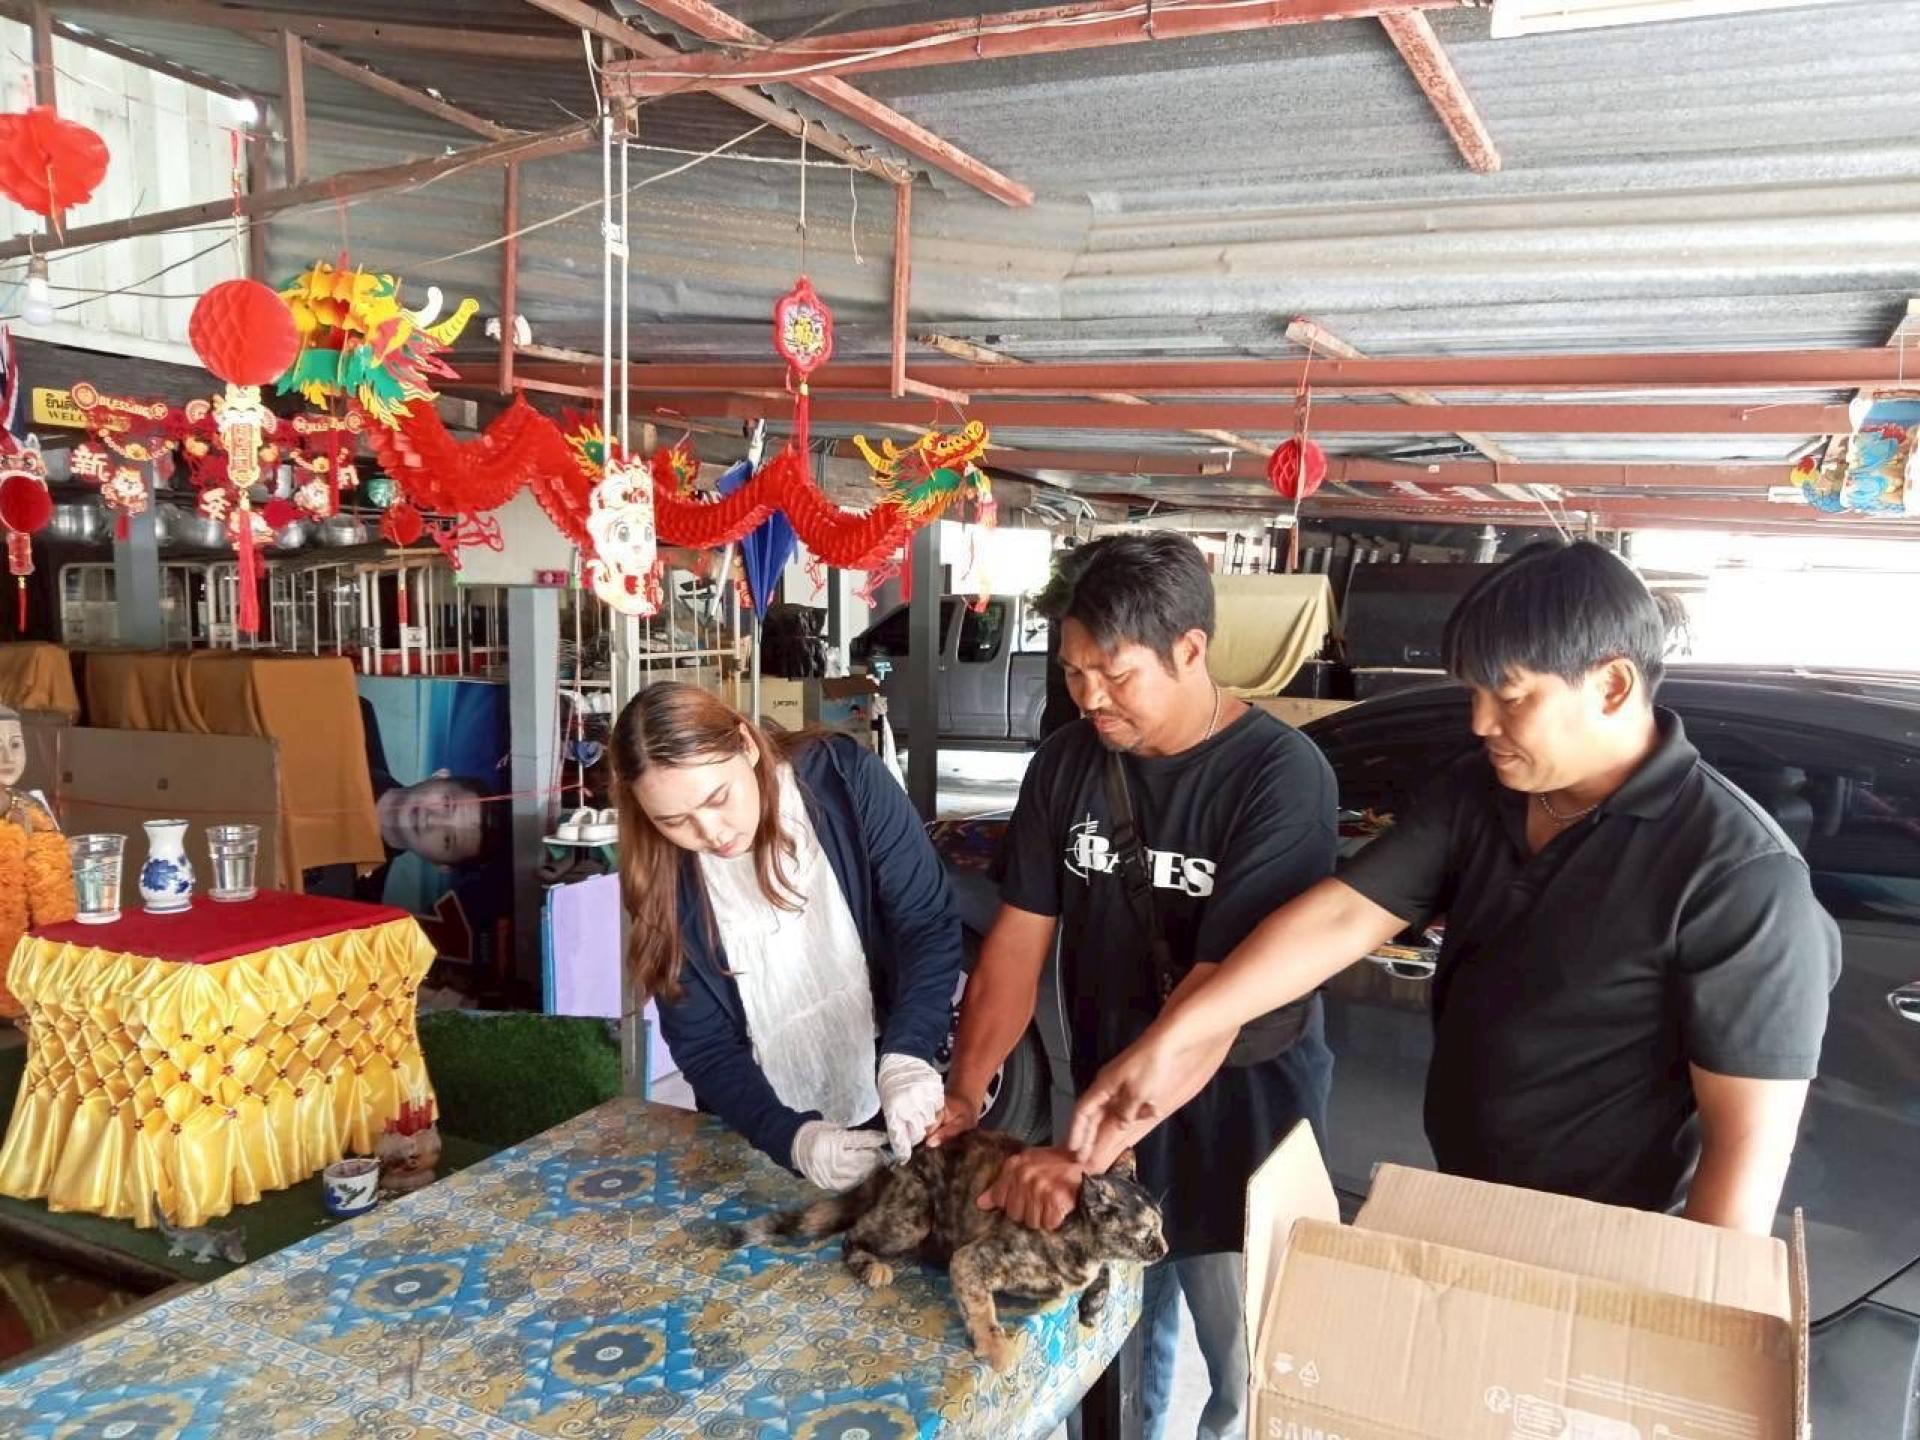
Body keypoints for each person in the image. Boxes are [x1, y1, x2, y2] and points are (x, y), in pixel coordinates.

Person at [1071, 541, 1841, 1237]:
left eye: (1510, 696)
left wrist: (1685, 1315)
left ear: (1611, 685)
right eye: (1472, 692)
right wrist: (1172, 1039)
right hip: (1468, 1201)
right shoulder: (1482, 793)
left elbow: (1743, 1162)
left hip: (1618, 1240)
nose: (1480, 722)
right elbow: (1342, 918)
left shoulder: (1737, 876)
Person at [927, 533, 1337, 1440]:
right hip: (1108, 1094)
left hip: (1241, 1113)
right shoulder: (1067, 763)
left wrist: (1086, 1150)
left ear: (1191, 649)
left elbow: (1214, 1005)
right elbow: (1017, 942)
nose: (1090, 697)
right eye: (1073, 673)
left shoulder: (1280, 779)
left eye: (1114, 674)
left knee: (1248, 1364)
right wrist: (965, 1090)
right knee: (1112, 1338)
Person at [612, 680, 961, 1191]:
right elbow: (704, 1045)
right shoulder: (660, 878)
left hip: (885, 1083)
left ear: (746, 745)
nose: (711, 832)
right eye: (674, 821)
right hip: (754, 1119)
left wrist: (909, 1052)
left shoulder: (846, 781)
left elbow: (926, 923)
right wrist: (791, 1138)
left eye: (718, 797)